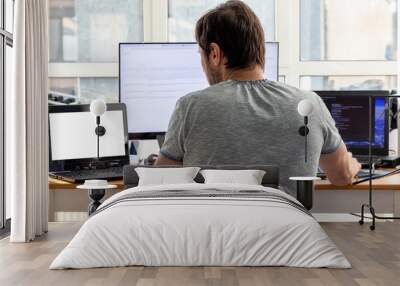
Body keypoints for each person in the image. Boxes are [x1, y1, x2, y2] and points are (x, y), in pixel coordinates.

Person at [155, 0, 361, 196]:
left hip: (211, 231)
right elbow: (341, 177)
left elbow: (160, 183)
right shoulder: (309, 104)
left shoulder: (190, 106)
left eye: (202, 54)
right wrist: (352, 164)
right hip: (285, 231)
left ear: (215, 53)